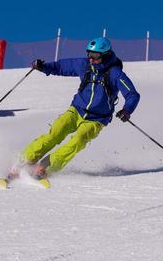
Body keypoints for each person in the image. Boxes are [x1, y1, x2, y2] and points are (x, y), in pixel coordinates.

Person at [13, 37, 140, 180]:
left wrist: (127, 110)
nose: (91, 59)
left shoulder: (115, 73)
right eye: (89, 54)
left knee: (78, 141)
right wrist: (43, 66)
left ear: (105, 55)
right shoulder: (84, 65)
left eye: (95, 55)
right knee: (55, 132)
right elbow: (60, 67)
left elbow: (132, 94)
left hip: (96, 119)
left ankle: (45, 167)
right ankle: (24, 161)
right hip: (76, 110)